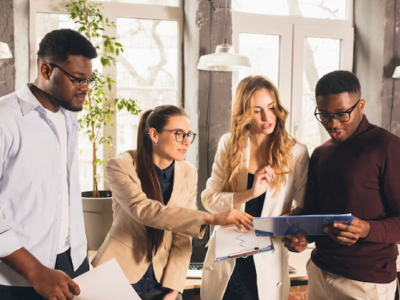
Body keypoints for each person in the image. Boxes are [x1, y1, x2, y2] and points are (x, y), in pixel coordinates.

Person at [92, 105, 253, 300]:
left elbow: (182, 236)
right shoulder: (121, 165)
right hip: (119, 272)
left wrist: (175, 289)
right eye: (178, 134)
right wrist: (210, 218)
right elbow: (143, 210)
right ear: (154, 135)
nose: (186, 142)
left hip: (163, 279)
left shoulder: (188, 173)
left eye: (188, 135)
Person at [284, 70, 400, 300]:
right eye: (325, 115)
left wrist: (366, 229)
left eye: (341, 114)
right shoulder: (320, 153)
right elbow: (316, 213)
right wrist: (303, 236)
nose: (333, 123)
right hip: (319, 272)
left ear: (361, 105)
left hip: (367, 283)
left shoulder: (388, 147)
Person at [0, 29, 97, 300]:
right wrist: (35, 272)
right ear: (46, 69)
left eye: (88, 79)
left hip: (72, 262)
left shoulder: (68, 116)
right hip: (18, 275)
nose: (85, 87)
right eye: (77, 79)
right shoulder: (6, 119)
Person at [200, 75, 309, 300]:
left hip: (268, 259)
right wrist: (251, 193)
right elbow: (209, 199)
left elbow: (303, 206)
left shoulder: (296, 152)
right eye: (256, 110)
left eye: (271, 107)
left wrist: (279, 226)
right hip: (229, 259)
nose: (267, 117)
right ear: (244, 113)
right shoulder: (229, 144)